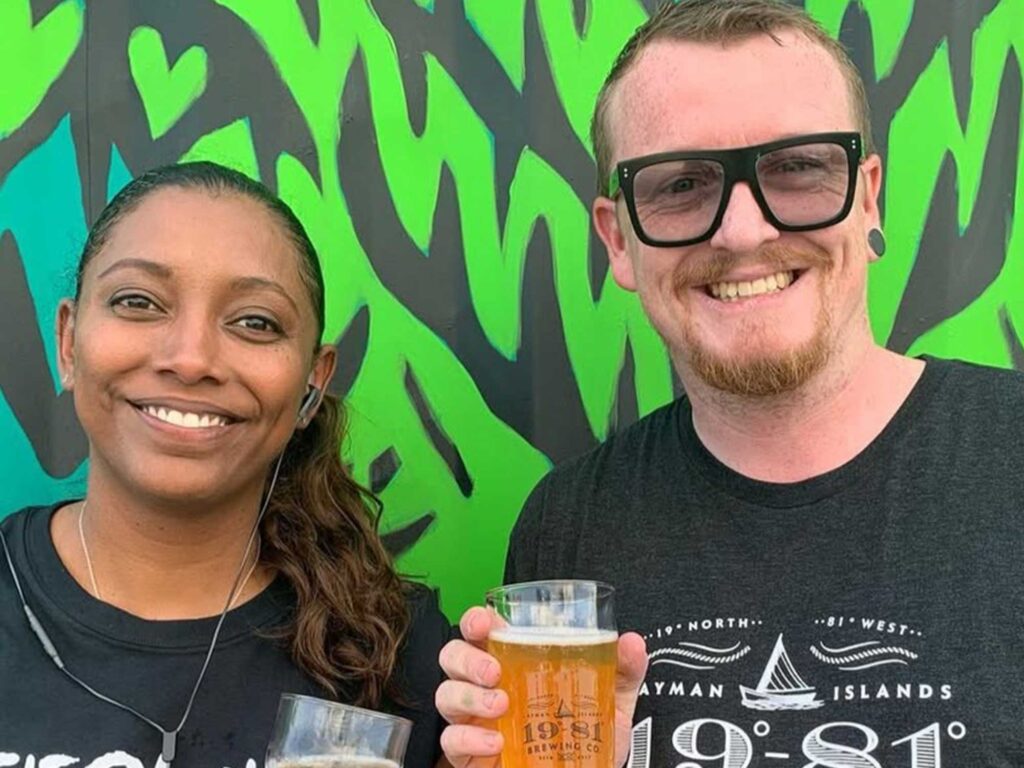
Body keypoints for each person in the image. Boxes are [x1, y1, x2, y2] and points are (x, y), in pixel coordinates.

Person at [434, 1, 1024, 766]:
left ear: (868, 196)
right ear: (618, 239)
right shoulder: (570, 523)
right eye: (681, 184)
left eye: (798, 168)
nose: (743, 232)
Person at [0, 162, 448, 767]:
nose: (190, 359)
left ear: (312, 388)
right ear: (68, 343)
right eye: (139, 301)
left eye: (254, 322)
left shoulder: (402, 653)